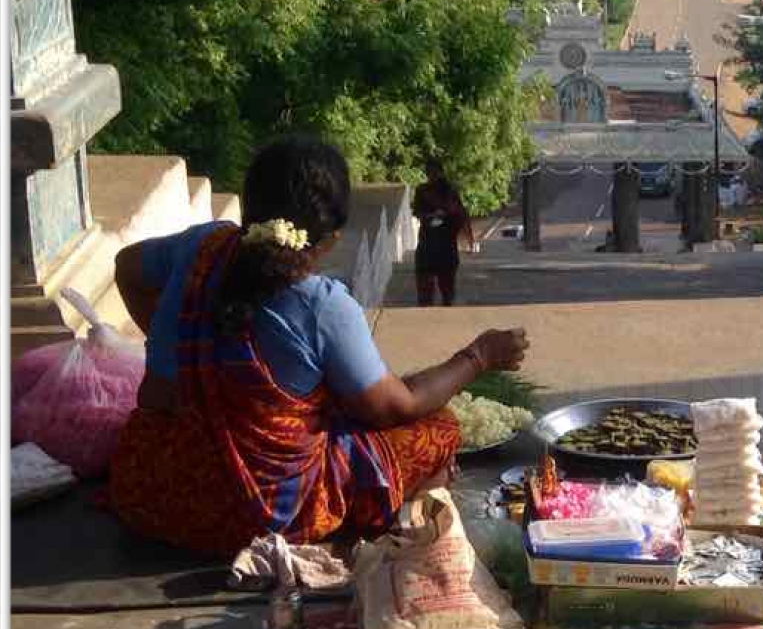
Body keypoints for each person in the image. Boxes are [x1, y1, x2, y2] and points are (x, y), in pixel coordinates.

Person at [107, 135, 531, 558]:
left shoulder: (201, 245)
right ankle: (404, 540)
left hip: (153, 488)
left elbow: (127, 267)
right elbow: (396, 407)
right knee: (436, 430)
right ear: (331, 238)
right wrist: (480, 356)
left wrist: (181, 349)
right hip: (252, 515)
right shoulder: (320, 302)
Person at [412, 158, 474, 307]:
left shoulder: (450, 191)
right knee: (427, 288)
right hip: (429, 243)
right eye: (429, 172)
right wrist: (432, 216)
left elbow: (460, 214)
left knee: (447, 289)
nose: (431, 175)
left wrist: (445, 216)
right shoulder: (422, 190)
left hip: (444, 244)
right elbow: (418, 212)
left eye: (434, 172)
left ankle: (443, 313)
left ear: (440, 172)